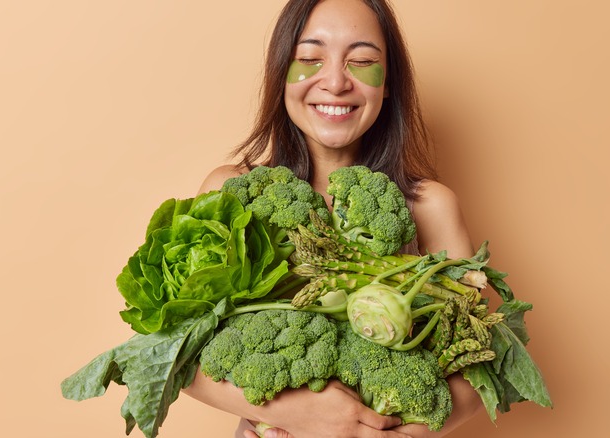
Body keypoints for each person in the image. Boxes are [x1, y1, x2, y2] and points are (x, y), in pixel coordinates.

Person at [182, 0, 482, 436]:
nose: (336, 81)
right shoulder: (230, 193)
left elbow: (482, 369)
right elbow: (177, 349)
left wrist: (374, 434)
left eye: (361, 61)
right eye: (309, 59)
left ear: (388, 82)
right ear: (281, 73)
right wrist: (294, 412)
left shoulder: (429, 206)